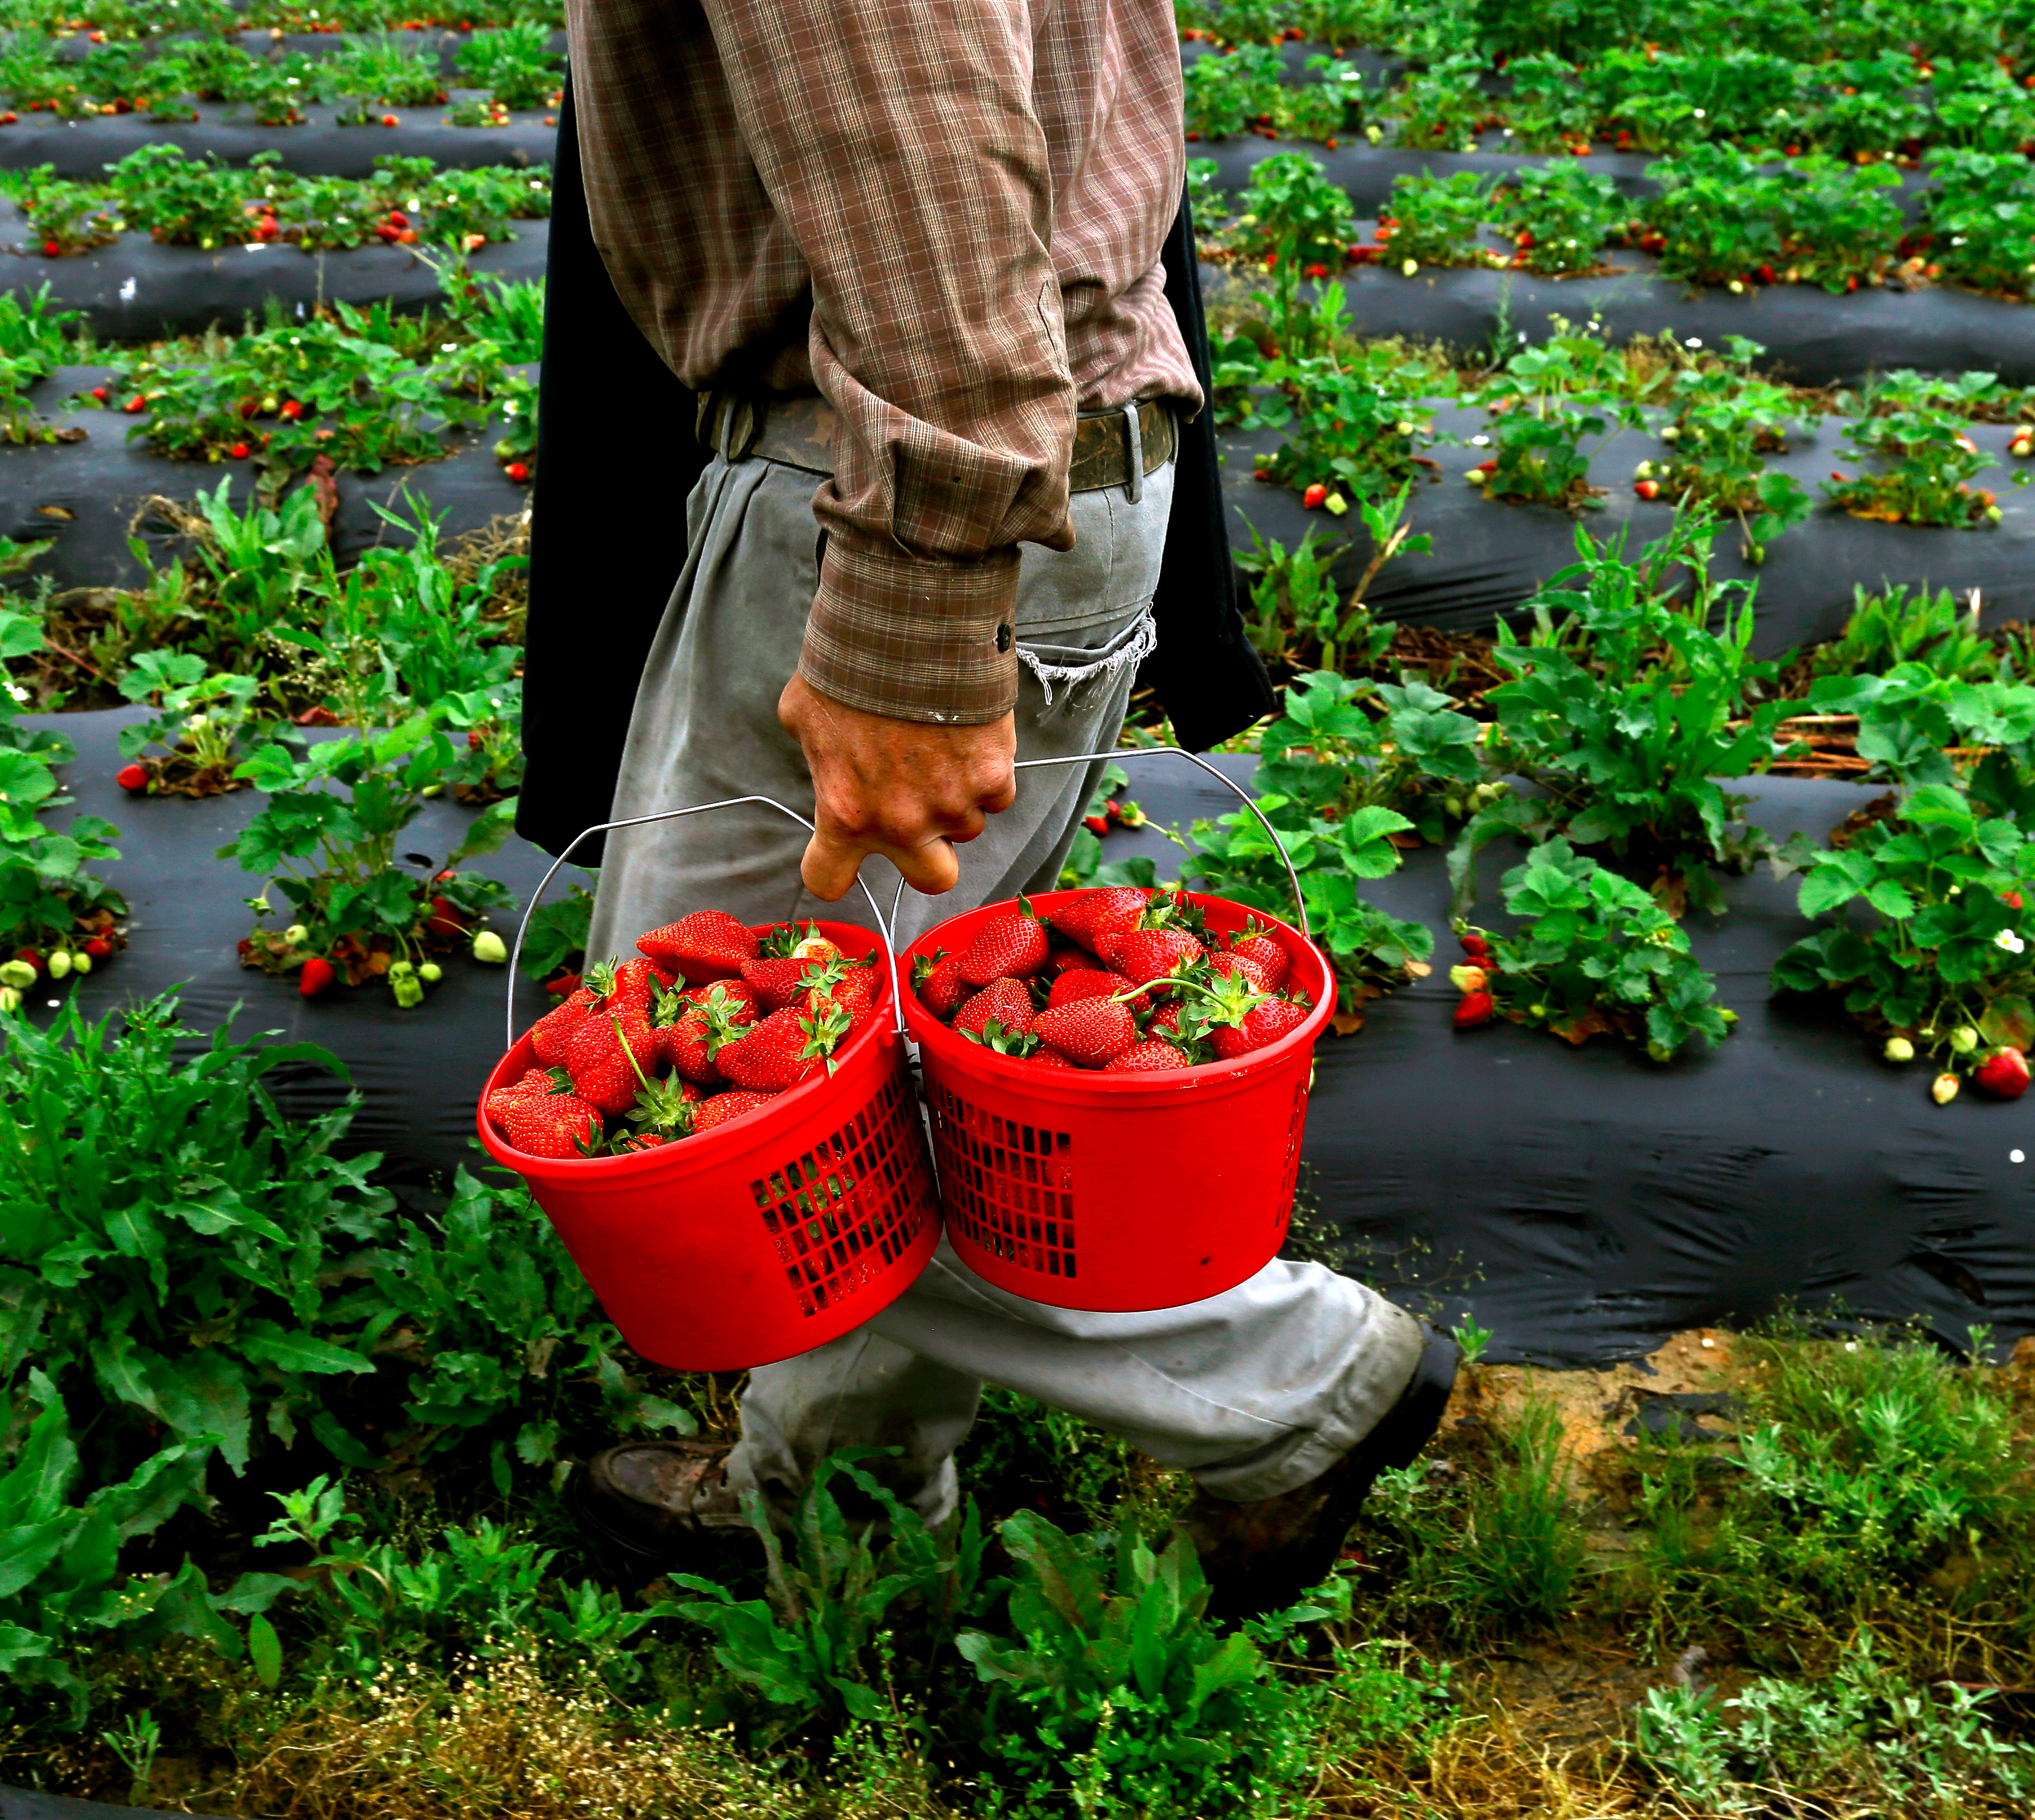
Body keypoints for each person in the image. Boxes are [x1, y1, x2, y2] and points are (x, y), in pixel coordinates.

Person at [529, 0, 1457, 1614]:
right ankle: (841, 1506)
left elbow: (906, 130)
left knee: (733, 1125)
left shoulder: (913, 513)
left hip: (889, 484)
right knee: (886, 1041)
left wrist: (912, 597)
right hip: (1054, 451)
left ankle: (1292, 1380)